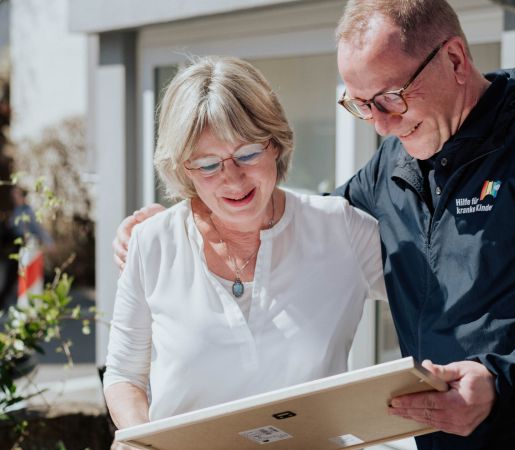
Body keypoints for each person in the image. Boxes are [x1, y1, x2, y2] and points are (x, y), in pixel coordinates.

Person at [114, 1, 515, 449]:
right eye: (360, 105)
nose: (381, 125)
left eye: (390, 97)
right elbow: (301, 220)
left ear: (455, 59)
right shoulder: (396, 160)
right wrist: (190, 213)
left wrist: (503, 382)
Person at [102, 56, 386, 436]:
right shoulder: (152, 242)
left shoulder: (340, 230)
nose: (233, 179)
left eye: (248, 153)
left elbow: (434, 303)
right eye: (208, 165)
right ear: (183, 169)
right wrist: (145, 439)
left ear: (275, 145)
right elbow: (124, 375)